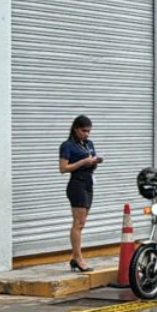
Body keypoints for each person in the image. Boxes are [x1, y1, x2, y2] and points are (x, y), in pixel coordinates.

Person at [58, 115, 102, 272]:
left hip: (88, 182)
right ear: (76, 129)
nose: (87, 134)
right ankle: (78, 258)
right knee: (78, 222)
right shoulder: (67, 146)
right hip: (77, 183)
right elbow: (63, 168)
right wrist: (83, 162)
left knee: (82, 223)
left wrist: (94, 162)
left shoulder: (89, 144)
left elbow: (90, 159)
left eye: (89, 131)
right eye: (84, 131)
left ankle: (75, 256)